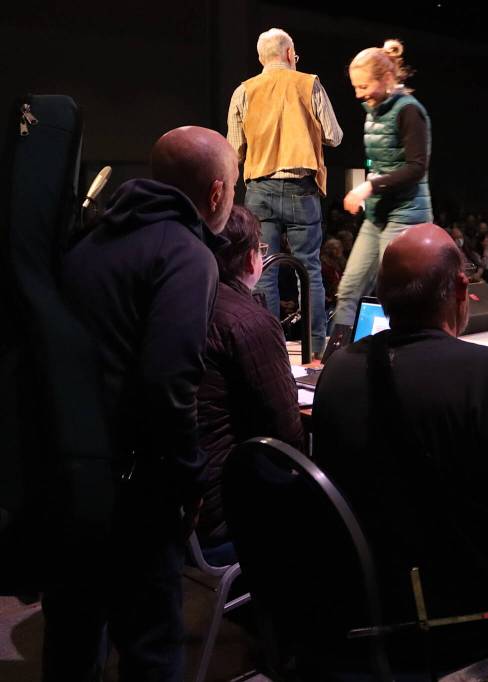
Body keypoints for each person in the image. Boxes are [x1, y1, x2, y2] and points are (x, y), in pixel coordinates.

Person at [313, 223, 488, 666]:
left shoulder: (339, 368)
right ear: (461, 287)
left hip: (362, 596)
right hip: (457, 609)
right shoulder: (485, 373)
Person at [45, 126, 237, 681]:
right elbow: (167, 384)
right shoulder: (186, 254)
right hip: (133, 491)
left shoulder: (90, 240)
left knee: (74, 639)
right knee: (151, 647)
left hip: (69, 475)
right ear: (219, 192)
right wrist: (188, 480)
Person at [196, 206, 305, 562]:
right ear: (250, 258)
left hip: (186, 505)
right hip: (225, 516)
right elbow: (288, 435)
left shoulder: (188, 301)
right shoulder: (247, 322)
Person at [227, 27, 344, 357]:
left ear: (261, 57)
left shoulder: (244, 91)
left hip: (259, 190)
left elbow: (233, 149)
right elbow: (334, 136)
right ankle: (317, 346)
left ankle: (267, 347)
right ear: (290, 54)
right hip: (300, 189)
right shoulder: (309, 84)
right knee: (309, 270)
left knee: (262, 270)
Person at [331, 39, 433, 339]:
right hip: (378, 215)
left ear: (386, 79)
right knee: (349, 288)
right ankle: (337, 360)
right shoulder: (374, 109)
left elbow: (416, 167)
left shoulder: (409, 111)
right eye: (354, 86)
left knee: (394, 294)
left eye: (363, 86)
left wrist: (368, 187)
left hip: (406, 213)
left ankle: (399, 357)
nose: (358, 94)